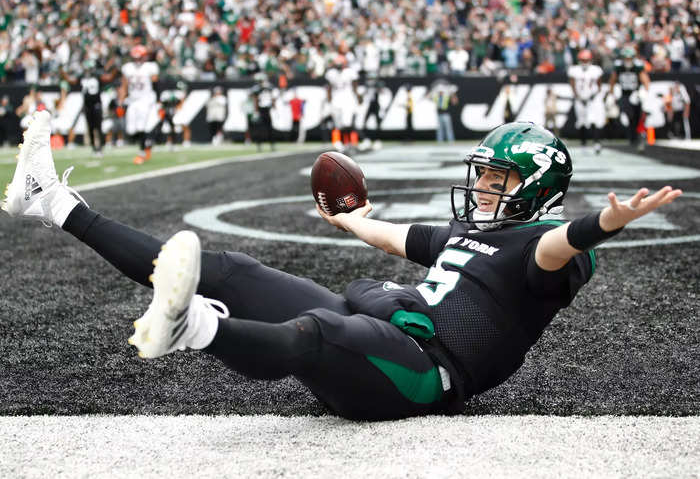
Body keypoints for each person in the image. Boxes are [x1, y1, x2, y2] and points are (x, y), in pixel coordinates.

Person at [3, 112, 682, 421]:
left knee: (317, 334)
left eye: (497, 179)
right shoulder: (469, 231)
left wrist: (608, 222)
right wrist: (348, 218)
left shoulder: (540, 249)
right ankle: (55, 202)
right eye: (482, 174)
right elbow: (394, 237)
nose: (480, 189)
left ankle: (195, 331)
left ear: (534, 191)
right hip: (385, 330)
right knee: (232, 267)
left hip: (421, 374)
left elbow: (563, 241)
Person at [60, 57, 120, 157]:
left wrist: (115, 69)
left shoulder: (97, 75)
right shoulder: (82, 76)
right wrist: (62, 72)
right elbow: (72, 81)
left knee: (98, 127)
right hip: (87, 105)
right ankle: (94, 147)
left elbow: (108, 78)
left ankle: (100, 147)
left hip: (97, 104)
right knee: (90, 127)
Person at [119, 45, 159, 164]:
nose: (137, 60)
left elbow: (156, 84)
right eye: (135, 58)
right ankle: (147, 143)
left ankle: (142, 152)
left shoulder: (150, 67)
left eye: (139, 58)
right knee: (131, 130)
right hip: (133, 100)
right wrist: (120, 101)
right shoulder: (127, 68)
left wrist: (158, 101)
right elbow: (124, 85)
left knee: (142, 126)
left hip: (146, 100)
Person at [609, 47, 650, 149]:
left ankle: (636, 137)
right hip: (624, 94)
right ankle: (632, 138)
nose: (627, 60)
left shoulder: (638, 66)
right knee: (628, 115)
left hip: (635, 94)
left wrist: (644, 91)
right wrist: (611, 93)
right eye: (626, 58)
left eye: (629, 58)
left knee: (636, 117)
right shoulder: (619, 66)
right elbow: (612, 80)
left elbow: (645, 80)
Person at [568, 49, 604, 152]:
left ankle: (596, 142)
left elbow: (599, 84)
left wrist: (594, 95)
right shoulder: (574, 70)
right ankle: (583, 143)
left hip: (592, 98)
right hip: (580, 98)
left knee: (594, 120)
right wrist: (578, 96)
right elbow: (572, 84)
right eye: (583, 60)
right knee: (582, 121)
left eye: (586, 60)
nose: (584, 62)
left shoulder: (595, 70)